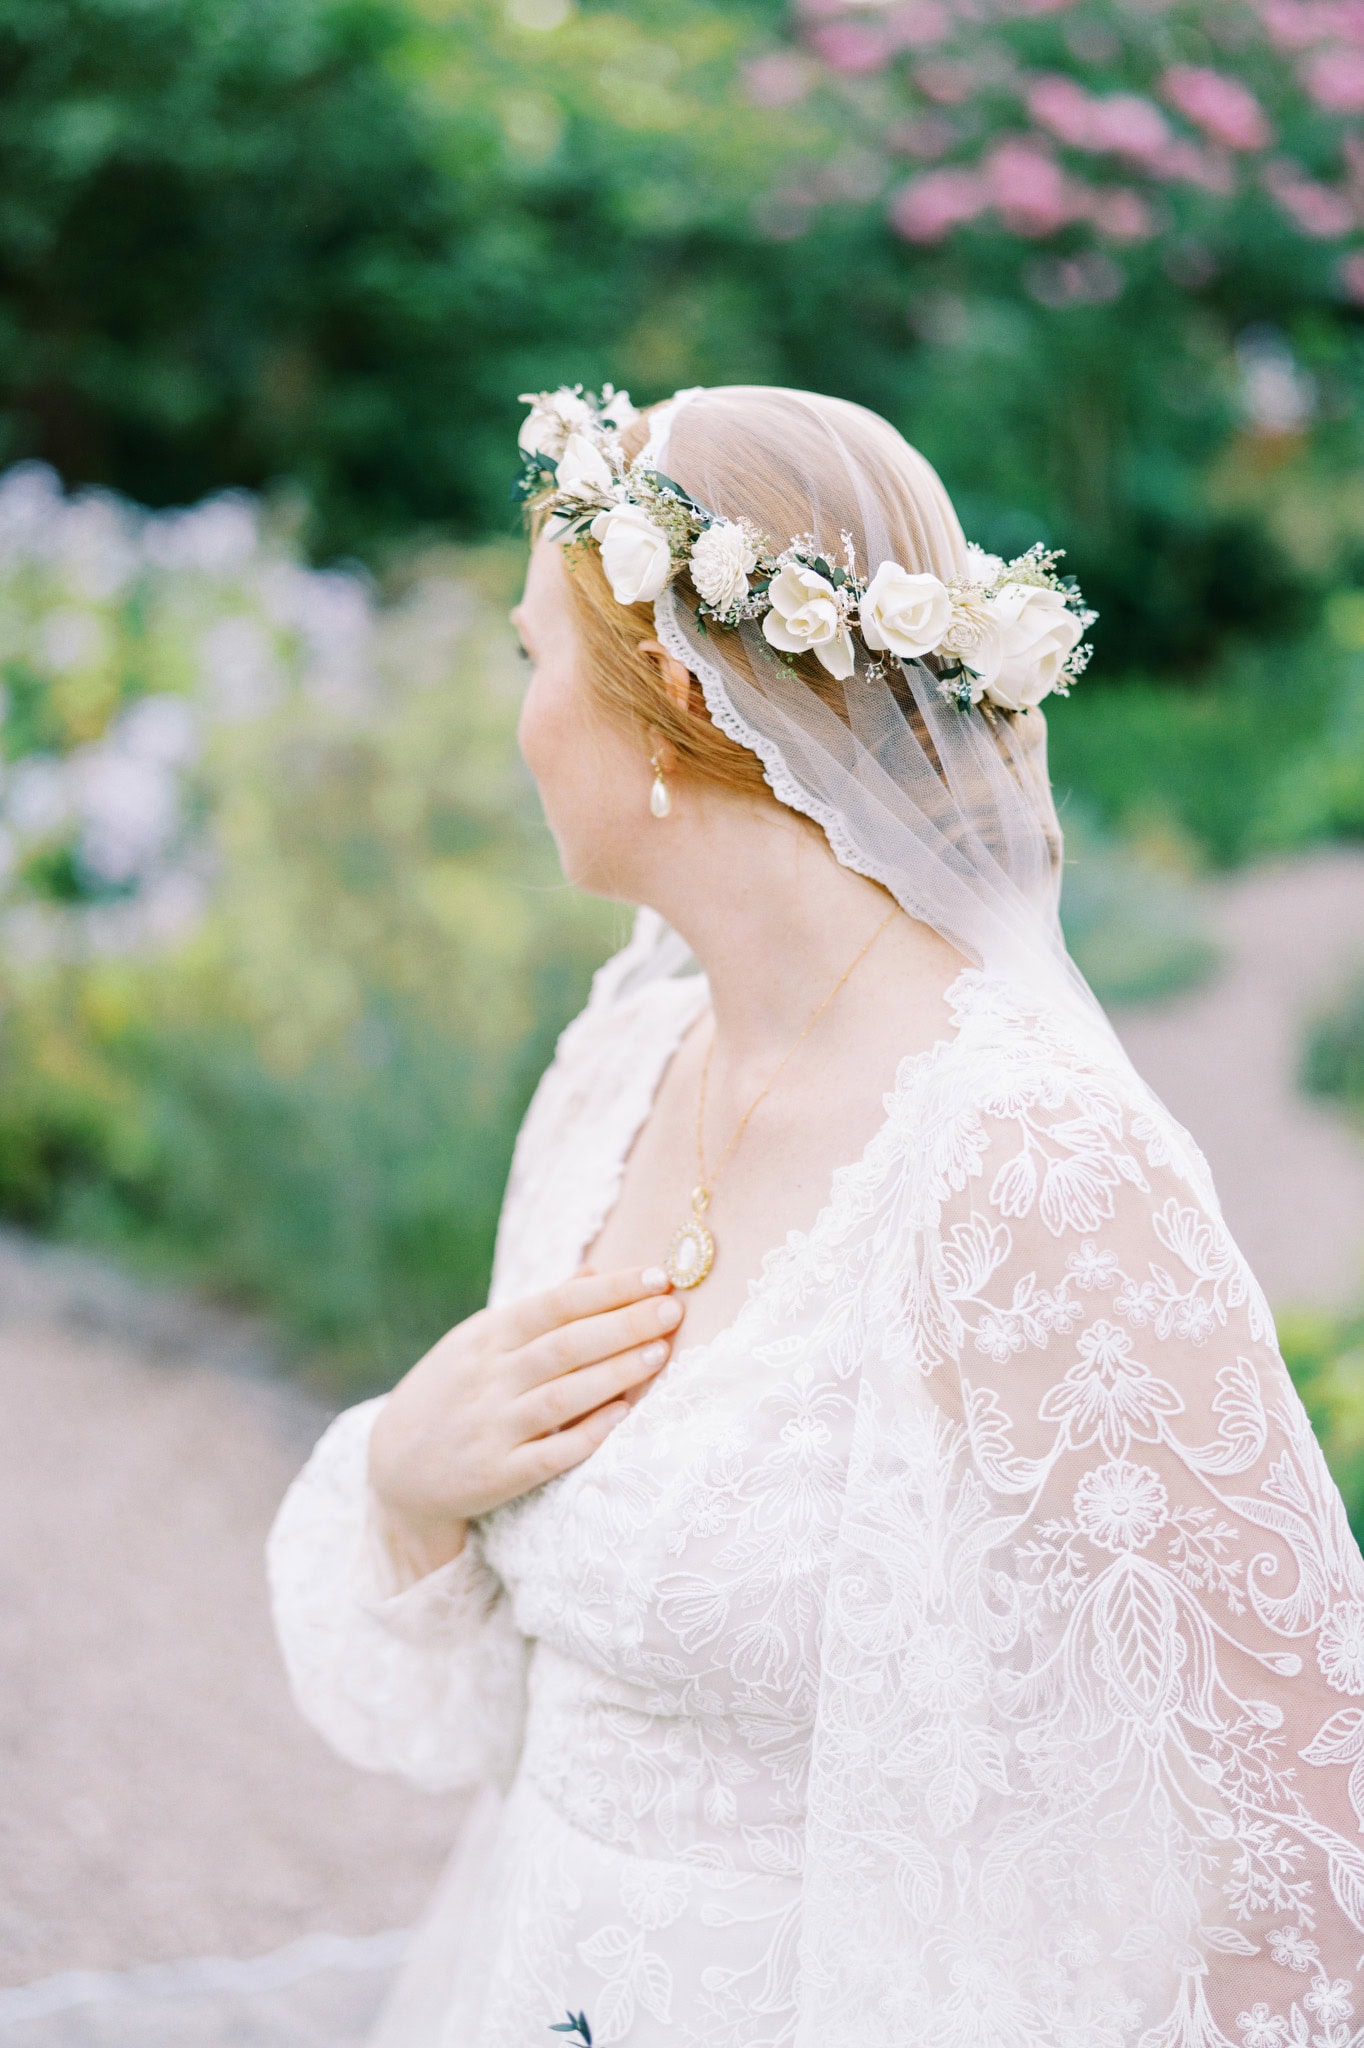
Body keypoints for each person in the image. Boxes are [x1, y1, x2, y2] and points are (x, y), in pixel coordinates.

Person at [267, 384, 1364, 2048]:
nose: (518, 717)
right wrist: (409, 1485)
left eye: (528, 660)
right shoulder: (620, 1069)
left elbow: (1293, 1835)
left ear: (664, 707)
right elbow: (513, 1718)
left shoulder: (1028, 1165)